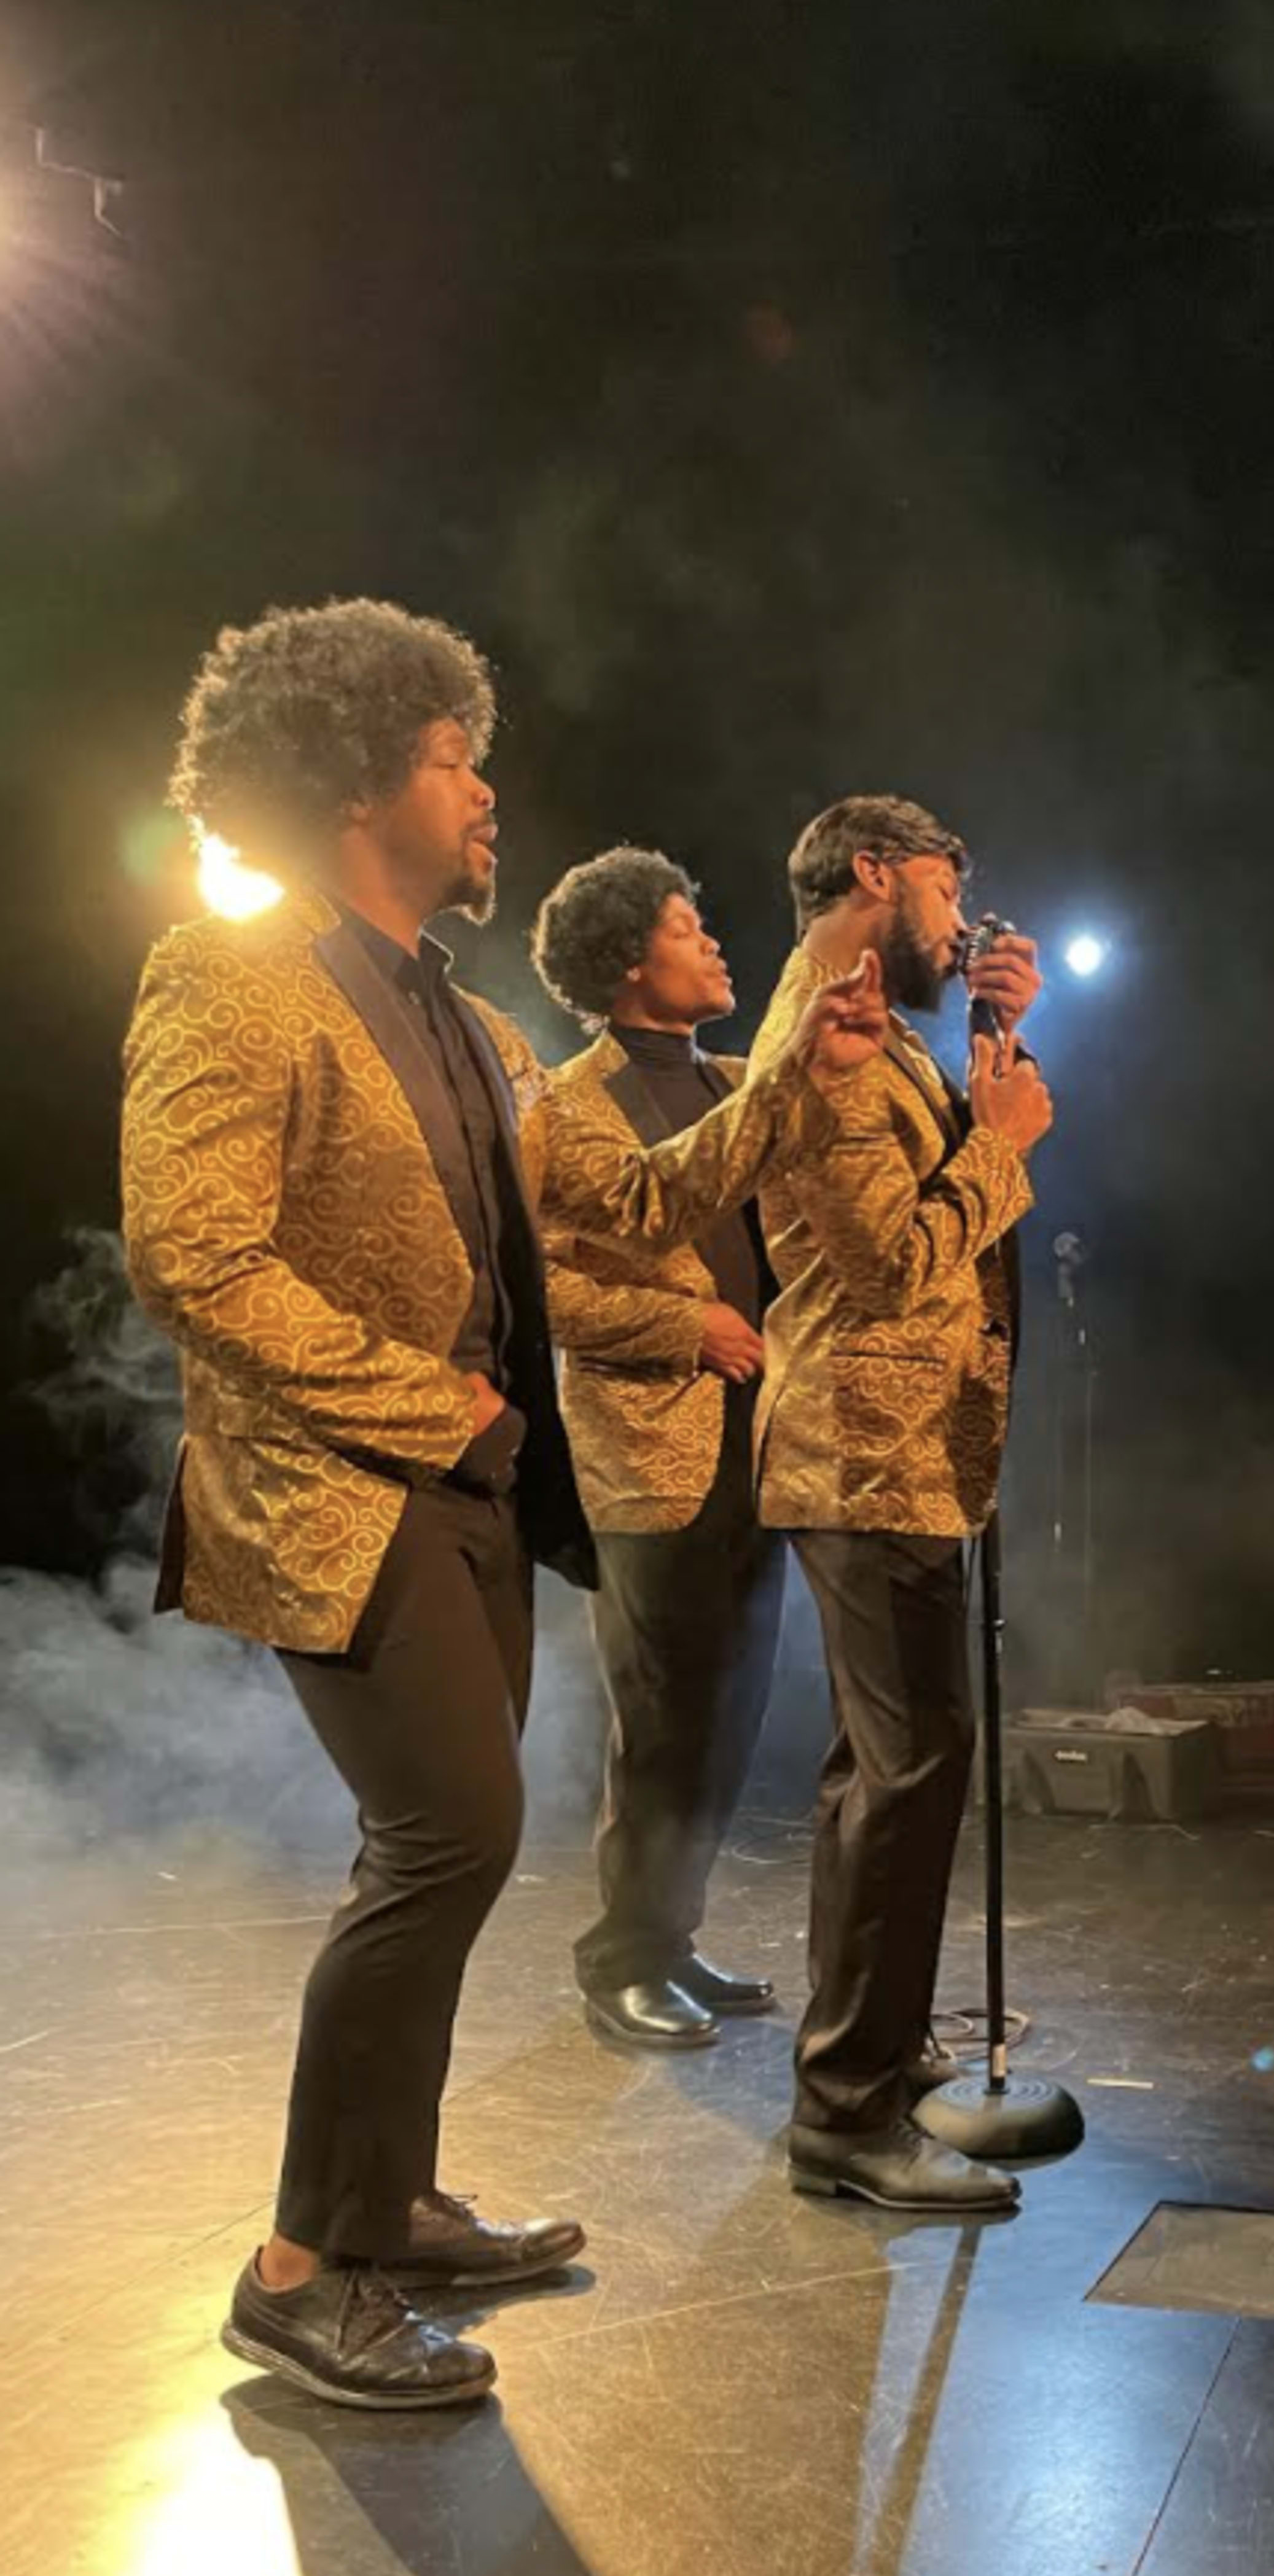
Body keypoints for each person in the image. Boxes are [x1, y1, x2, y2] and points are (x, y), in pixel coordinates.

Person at [123, 600, 877, 2410]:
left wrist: (799, 1049)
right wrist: (423, 1397)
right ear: (353, 771)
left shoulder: (467, 1020)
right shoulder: (233, 979)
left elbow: (639, 1194)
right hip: (335, 1487)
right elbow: (188, 1250)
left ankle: (389, 2199)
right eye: (456, 756)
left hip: (462, 1492)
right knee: (448, 1835)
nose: (485, 790)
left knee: (457, 1844)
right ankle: (303, 2265)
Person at [749, 795, 1055, 2216]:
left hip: (903, 1449)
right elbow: (888, 1266)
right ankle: (847, 2115)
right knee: (913, 1762)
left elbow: (939, 1184)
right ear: (877, 870)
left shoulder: (884, 1023)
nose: (962, 912)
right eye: (950, 880)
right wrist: (1003, 1140)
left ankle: (874, 2051)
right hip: (868, 1452)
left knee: (880, 1766)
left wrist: (995, 1059)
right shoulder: (824, 1031)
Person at [533, 847, 788, 2054]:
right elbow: (541, 1286)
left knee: (729, 1708)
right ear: (633, 960)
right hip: (650, 1450)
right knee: (661, 1709)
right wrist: (686, 1324)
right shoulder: (566, 1104)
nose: (717, 945)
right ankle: (620, 1959)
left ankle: (672, 1938)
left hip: (768, 1443)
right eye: (691, 929)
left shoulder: (742, 1082)